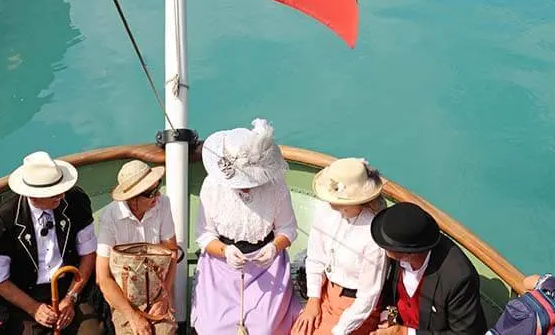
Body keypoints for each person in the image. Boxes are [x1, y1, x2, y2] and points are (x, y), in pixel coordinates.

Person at [191, 118, 301, 335]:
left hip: (267, 264)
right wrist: (226, 251)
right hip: (221, 264)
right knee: (214, 328)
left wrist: (273, 248)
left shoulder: (276, 185)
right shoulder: (212, 186)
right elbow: (205, 235)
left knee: (265, 328)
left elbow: (287, 229)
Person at [0, 151, 101, 335]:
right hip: (24, 296)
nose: (61, 196)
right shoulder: (3, 220)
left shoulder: (76, 201)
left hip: (69, 286)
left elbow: (88, 254)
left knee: (93, 332)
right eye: (53, 194)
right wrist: (33, 308)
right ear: (33, 195)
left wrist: (70, 298)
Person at [292, 158, 387, 335]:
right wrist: (313, 301)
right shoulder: (325, 211)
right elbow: (316, 257)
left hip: (356, 307)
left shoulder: (372, 233)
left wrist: (340, 331)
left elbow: (368, 296)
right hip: (326, 293)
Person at [369, 202, 486, 335]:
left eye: (387, 245)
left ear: (408, 252)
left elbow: (465, 334)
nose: (383, 247)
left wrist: (404, 333)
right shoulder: (398, 254)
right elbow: (391, 293)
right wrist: (389, 319)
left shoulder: (458, 278)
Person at [95, 160, 178, 335]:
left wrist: (165, 296)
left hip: (158, 289)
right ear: (132, 198)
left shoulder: (163, 204)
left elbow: (172, 252)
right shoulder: (109, 218)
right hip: (124, 297)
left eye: (158, 188)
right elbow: (103, 278)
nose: (158, 195)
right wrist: (131, 315)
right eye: (151, 193)